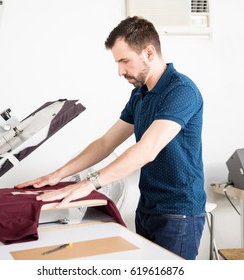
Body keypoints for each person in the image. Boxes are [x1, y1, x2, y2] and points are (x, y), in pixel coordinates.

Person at [15, 16, 206, 260]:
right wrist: (58, 175)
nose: (120, 71)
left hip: (179, 213)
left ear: (149, 52)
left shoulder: (181, 91)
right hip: (148, 208)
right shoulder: (140, 94)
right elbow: (106, 143)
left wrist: (90, 182)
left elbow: (147, 150)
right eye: (117, 62)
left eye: (125, 61)